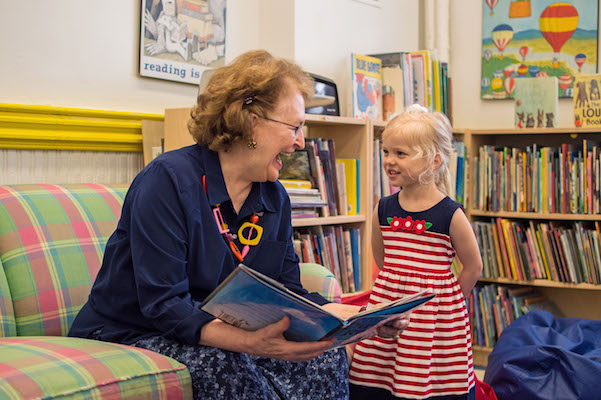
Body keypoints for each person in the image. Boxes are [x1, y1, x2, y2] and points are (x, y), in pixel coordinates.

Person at [69, 50, 408, 399]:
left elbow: (290, 292)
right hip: (132, 330)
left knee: (325, 358)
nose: (300, 142)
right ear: (250, 121)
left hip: (221, 329)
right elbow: (164, 305)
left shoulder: (274, 198)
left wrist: (361, 318)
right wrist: (250, 343)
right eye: (294, 127)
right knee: (227, 366)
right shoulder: (167, 181)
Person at [348, 104, 483, 399]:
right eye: (386, 152)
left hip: (435, 318)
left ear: (434, 160)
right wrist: (396, 285)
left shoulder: (450, 213)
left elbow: (473, 267)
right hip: (390, 309)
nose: (389, 161)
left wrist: (448, 302)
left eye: (401, 153)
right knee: (379, 375)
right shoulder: (383, 207)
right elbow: (383, 258)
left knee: (428, 380)